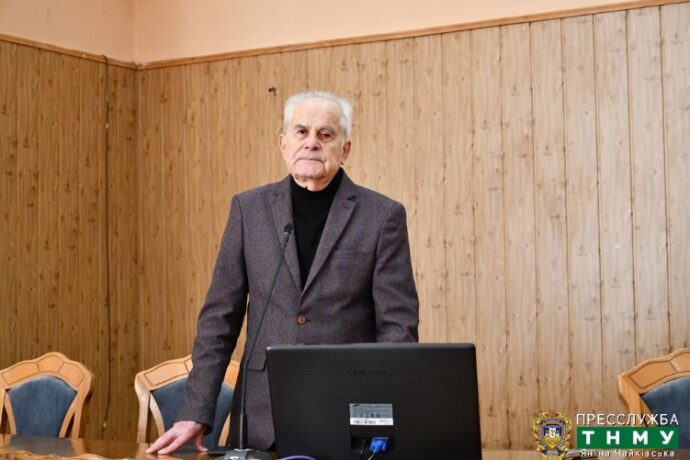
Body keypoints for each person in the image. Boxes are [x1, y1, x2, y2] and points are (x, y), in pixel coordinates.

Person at [146, 90, 419, 454]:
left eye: (325, 134)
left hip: (348, 411)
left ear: (345, 149)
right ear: (283, 143)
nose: (311, 143)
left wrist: (382, 412)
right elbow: (218, 320)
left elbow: (398, 326)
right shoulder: (249, 210)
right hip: (262, 415)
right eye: (301, 131)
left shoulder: (382, 216)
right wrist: (196, 412)